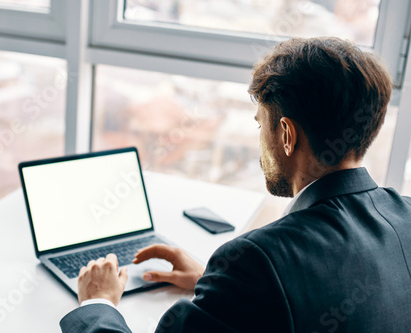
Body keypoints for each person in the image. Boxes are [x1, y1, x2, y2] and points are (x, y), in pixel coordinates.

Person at [59, 37, 411, 332]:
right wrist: (213, 287)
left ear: (287, 135)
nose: (261, 141)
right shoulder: (406, 216)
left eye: (261, 125)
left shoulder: (257, 262)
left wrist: (97, 302)